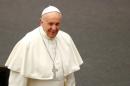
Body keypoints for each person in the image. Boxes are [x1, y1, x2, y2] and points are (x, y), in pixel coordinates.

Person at [5, 5, 83, 86]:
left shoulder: (66, 39)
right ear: (41, 22)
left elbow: (70, 77)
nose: (54, 28)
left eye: (57, 24)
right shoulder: (28, 42)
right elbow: (17, 80)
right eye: (50, 24)